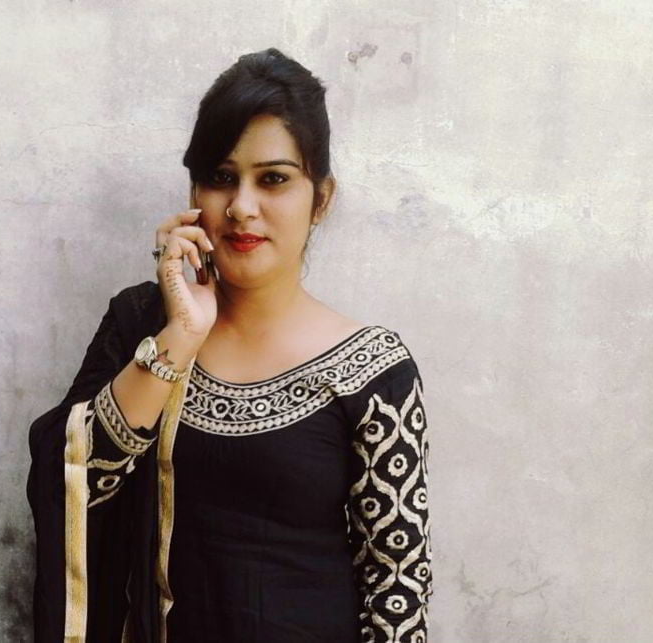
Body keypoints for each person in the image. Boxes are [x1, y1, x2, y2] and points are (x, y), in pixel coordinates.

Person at [27, 47, 432, 643]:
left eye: (274, 179)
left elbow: (396, 587)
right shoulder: (143, 325)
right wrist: (182, 334)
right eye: (221, 178)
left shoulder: (374, 371)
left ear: (321, 199)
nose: (242, 207)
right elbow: (72, 488)